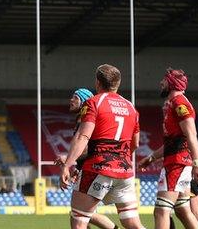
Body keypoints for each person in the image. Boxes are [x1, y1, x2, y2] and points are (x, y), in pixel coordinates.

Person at [59, 64, 144, 229]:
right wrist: (120, 159)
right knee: (133, 223)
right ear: (117, 83)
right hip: (125, 171)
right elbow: (136, 143)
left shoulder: (94, 103)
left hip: (98, 168)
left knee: (78, 220)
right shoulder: (130, 107)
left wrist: (67, 164)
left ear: (98, 82)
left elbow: (83, 136)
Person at [139, 68, 198, 229]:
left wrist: (197, 163)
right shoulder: (172, 104)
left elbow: (191, 134)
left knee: (161, 211)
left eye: (164, 80)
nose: (161, 83)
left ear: (171, 83)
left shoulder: (180, 103)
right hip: (176, 161)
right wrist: (151, 158)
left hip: (177, 164)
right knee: (182, 209)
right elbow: (172, 142)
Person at [55, 88, 120, 229]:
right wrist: (78, 168)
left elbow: (89, 148)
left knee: (80, 214)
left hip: (95, 170)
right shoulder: (82, 119)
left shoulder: (86, 121)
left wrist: (68, 159)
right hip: (92, 168)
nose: (71, 100)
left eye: (75, 98)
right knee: (81, 215)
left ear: (84, 101)